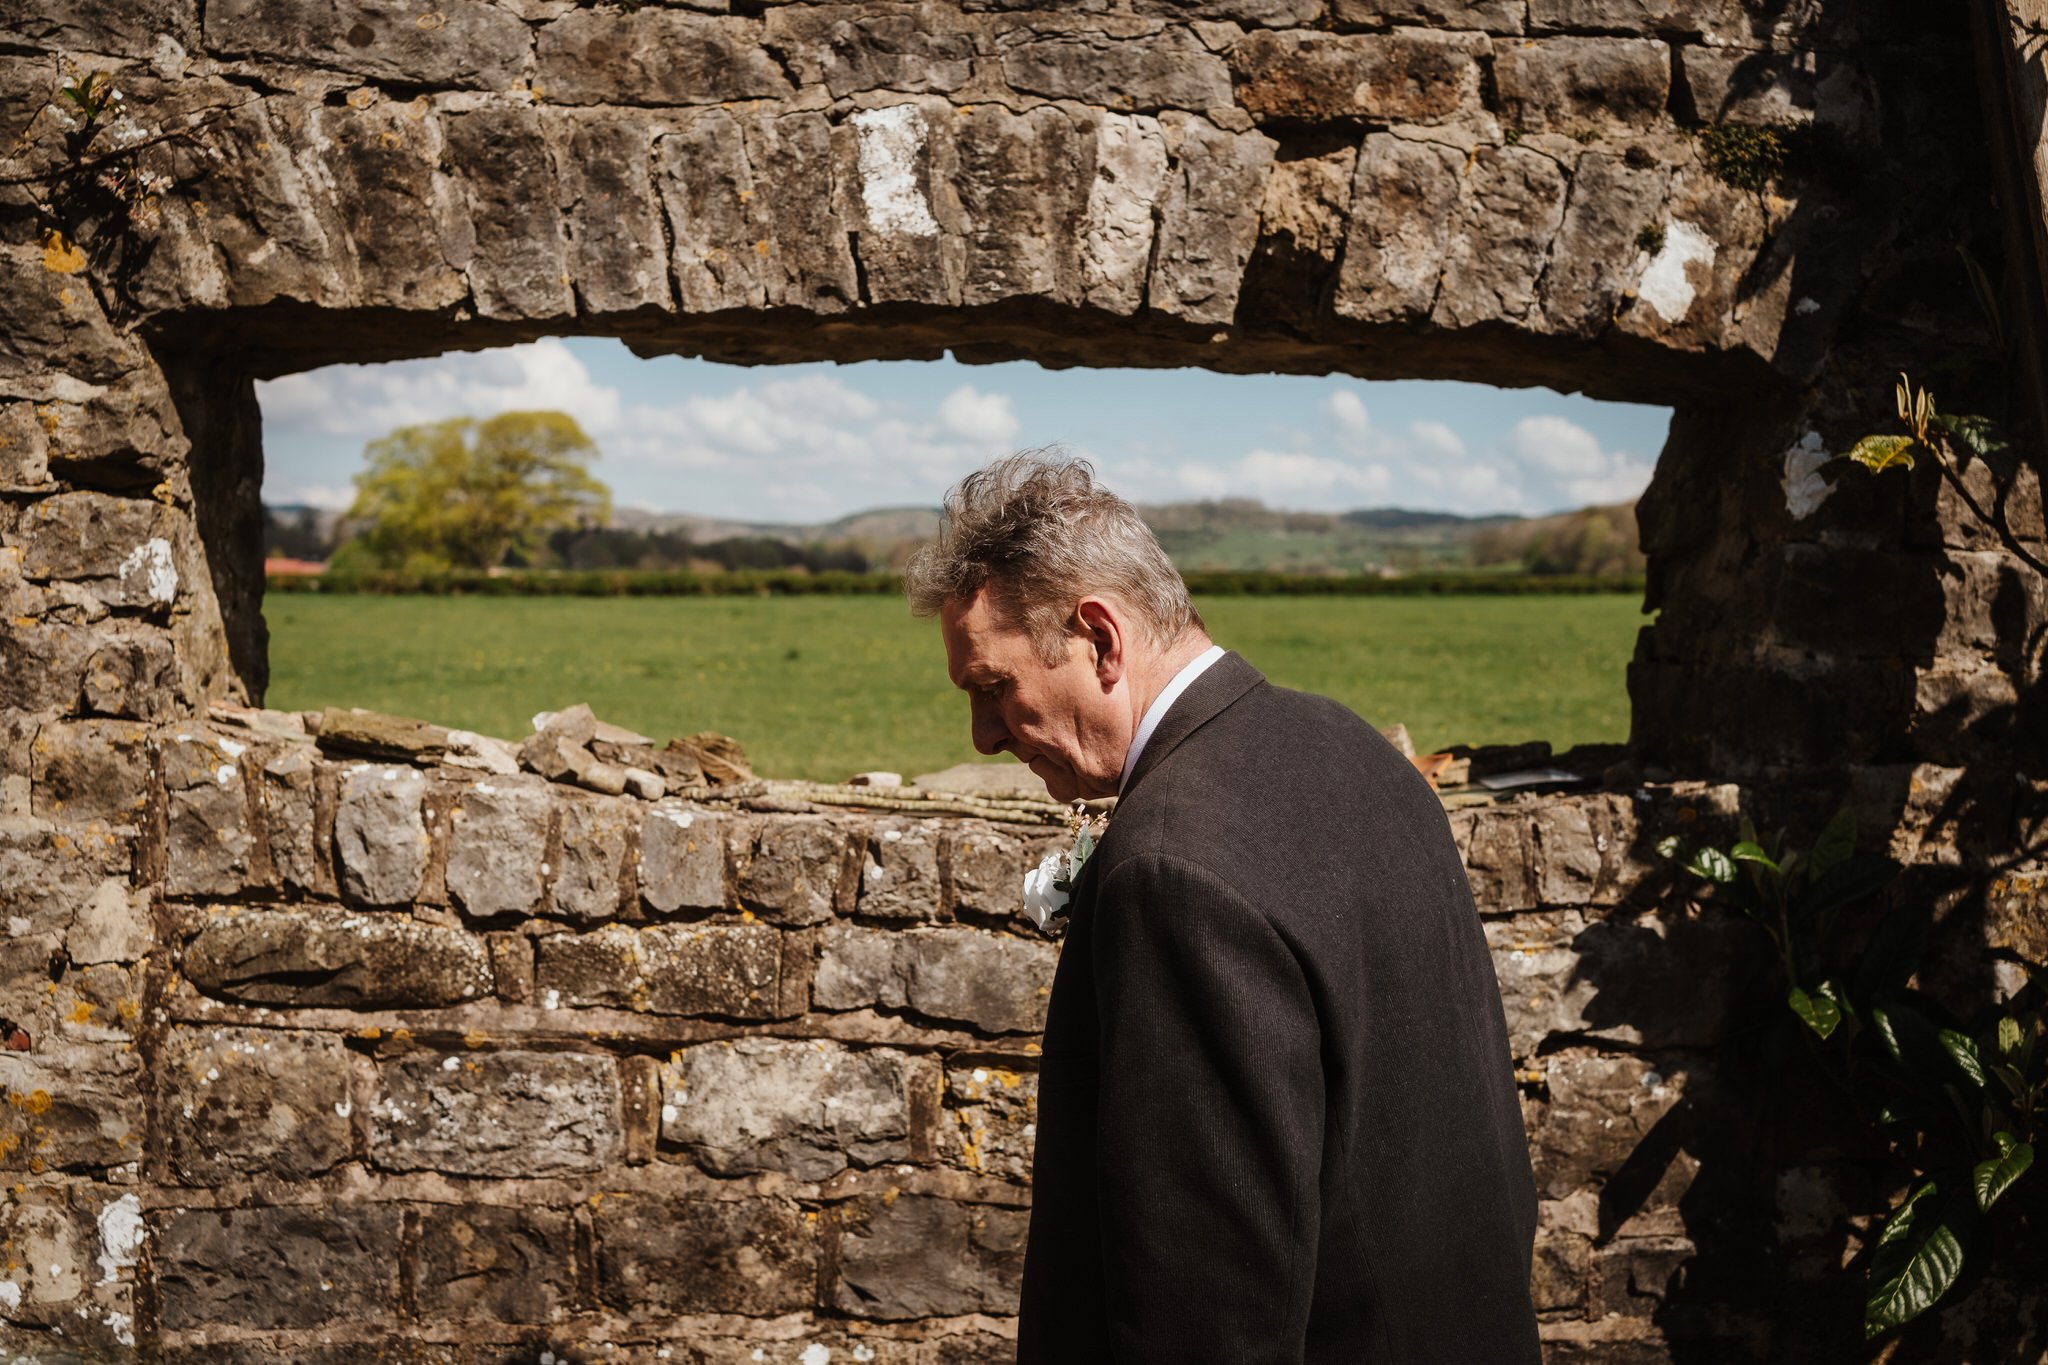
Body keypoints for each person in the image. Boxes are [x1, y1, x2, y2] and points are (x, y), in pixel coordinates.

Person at [905, 453, 1541, 1364]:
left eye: (994, 687)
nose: (984, 734)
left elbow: (1204, 1308)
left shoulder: (1171, 869)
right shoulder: (1358, 751)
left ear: (1100, 638)